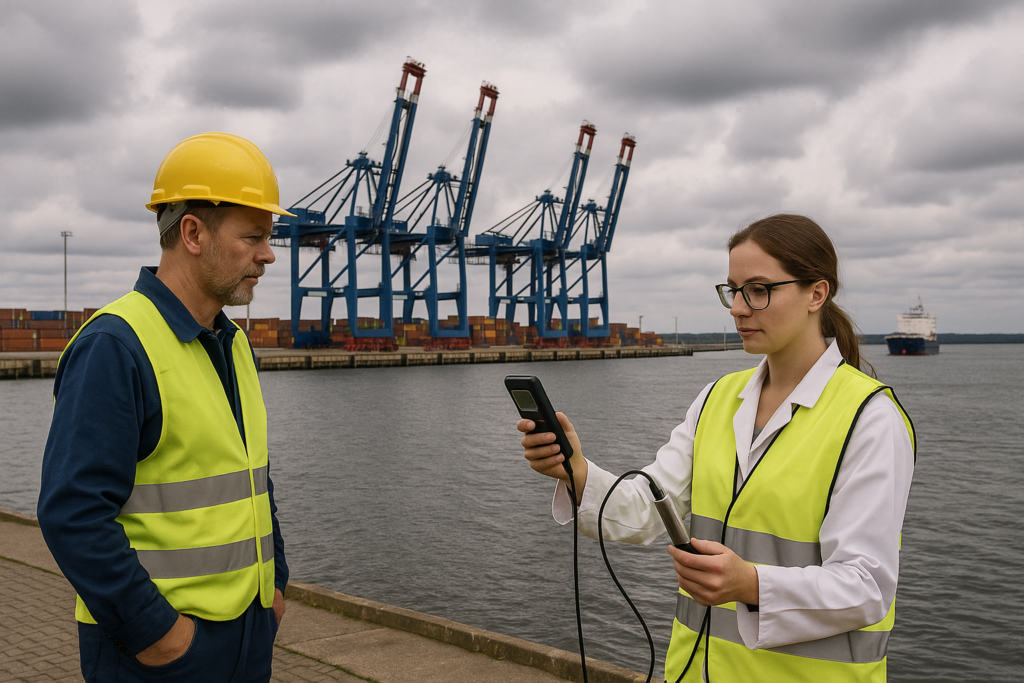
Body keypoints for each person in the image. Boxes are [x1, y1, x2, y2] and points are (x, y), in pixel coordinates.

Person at [518, 214, 916, 682]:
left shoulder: (868, 418)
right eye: (733, 290)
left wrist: (751, 583)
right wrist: (577, 473)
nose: (739, 308)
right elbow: (651, 507)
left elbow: (868, 587)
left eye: (759, 290)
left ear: (816, 294)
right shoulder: (716, 401)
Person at [37, 132, 296, 683]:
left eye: (268, 238)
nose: (268, 254)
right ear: (192, 233)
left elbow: (252, 481)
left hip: (247, 637)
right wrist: (159, 636)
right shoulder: (116, 346)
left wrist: (274, 587)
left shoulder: (233, 343)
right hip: (160, 656)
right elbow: (73, 514)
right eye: (253, 237)